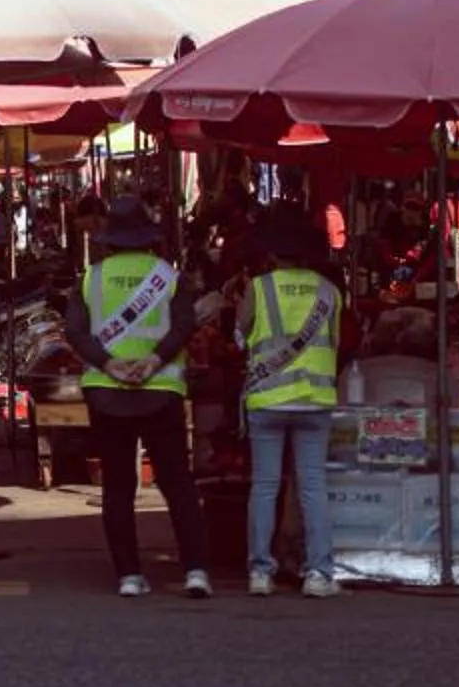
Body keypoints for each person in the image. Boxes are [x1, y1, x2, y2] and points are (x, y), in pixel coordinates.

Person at [64, 195, 213, 600]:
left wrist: (109, 363)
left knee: (118, 486)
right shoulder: (169, 276)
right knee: (177, 483)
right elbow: (184, 325)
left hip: (107, 392)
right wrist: (154, 361)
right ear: (149, 238)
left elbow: (75, 331)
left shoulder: (91, 279)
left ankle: (129, 575)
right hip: (160, 389)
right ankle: (196, 571)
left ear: (109, 240)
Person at [240, 205, 342, 599]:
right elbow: (336, 342)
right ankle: (318, 574)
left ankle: (260, 572)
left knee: (265, 486)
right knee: (312, 488)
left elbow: (242, 330)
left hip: (268, 398)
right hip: (315, 400)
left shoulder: (258, 288)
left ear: (271, 252)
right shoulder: (329, 291)